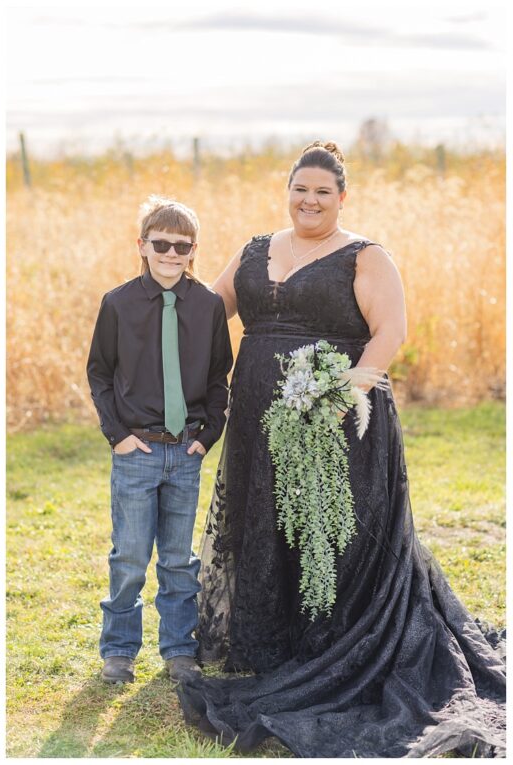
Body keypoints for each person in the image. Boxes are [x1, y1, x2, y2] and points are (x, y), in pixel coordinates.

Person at [176, 142, 505, 757]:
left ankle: (335, 641)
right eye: (301, 189)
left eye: (323, 191)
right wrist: (155, 298)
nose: (310, 200)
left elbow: (390, 333)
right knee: (267, 519)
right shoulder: (255, 249)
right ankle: (271, 643)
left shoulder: (366, 256)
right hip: (257, 418)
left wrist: (338, 396)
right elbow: (210, 307)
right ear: (288, 191)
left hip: (336, 422)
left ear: (342, 197)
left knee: (336, 530)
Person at [86, 197, 233, 685]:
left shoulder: (209, 306)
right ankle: (120, 651)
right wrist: (118, 436)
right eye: (161, 244)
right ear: (142, 246)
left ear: (193, 251)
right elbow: (100, 374)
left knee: (177, 559)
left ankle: (177, 650)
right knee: (128, 557)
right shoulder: (118, 304)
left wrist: (208, 435)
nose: (171, 254)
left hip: (185, 450)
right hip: (138, 451)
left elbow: (218, 377)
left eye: (182, 246)